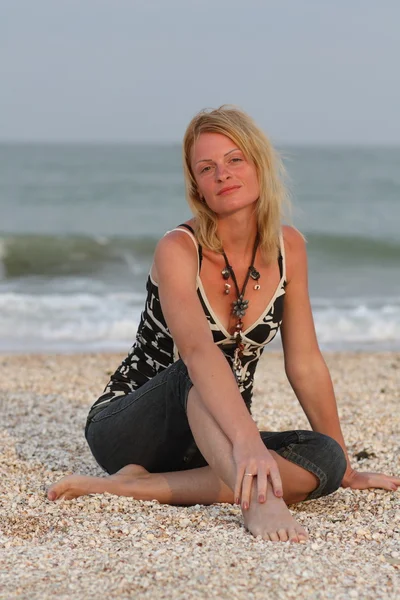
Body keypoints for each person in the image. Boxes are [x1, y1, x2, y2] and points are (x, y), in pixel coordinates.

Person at [47, 106, 399, 543]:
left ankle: (136, 487)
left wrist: (344, 465)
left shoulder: (290, 248)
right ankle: (258, 501)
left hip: (214, 436)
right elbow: (196, 354)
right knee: (192, 373)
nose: (223, 174)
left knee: (321, 456)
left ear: (258, 164)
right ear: (197, 185)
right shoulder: (178, 248)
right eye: (207, 167)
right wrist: (249, 445)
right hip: (132, 426)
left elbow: (305, 362)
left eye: (235, 160)